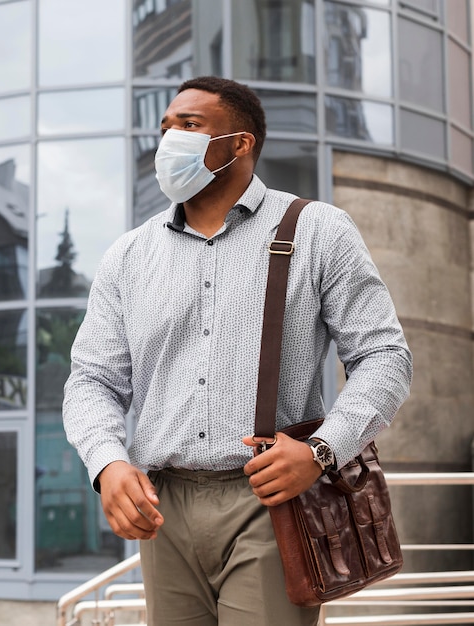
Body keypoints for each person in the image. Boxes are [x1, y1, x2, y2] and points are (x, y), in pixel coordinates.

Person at [63, 76, 412, 626]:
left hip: (271, 501)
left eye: (190, 125)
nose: (169, 139)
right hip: (164, 507)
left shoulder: (316, 228)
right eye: (165, 128)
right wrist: (106, 463)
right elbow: (92, 380)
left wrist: (322, 450)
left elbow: (385, 356)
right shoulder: (128, 255)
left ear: (240, 143)